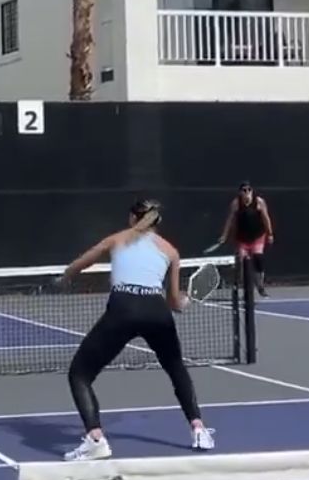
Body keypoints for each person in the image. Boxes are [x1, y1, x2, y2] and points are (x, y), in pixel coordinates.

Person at [56, 199, 215, 461]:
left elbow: (83, 262)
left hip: (124, 309)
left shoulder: (118, 239)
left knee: (79, 374)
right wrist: (184, 301)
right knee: (176, 370)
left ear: (133, 218)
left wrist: (66, 276)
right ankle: (198, 429)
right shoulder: (170, 251)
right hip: (157, 311)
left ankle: (96, 440)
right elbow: (175, 303)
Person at [218, 181, 274, 297]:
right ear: (240, 193)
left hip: (258, 237)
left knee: (258, 259)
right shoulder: (236, 204)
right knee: (243, 264)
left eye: (249, 190)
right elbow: (230, 220)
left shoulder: (259, 202)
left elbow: (266, 218)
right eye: (244, 190)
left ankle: (260, 287)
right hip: (242, 239)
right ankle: (248, 290)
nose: (247, 192)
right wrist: (224, 235)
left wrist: (270, 234)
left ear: (252, 191)